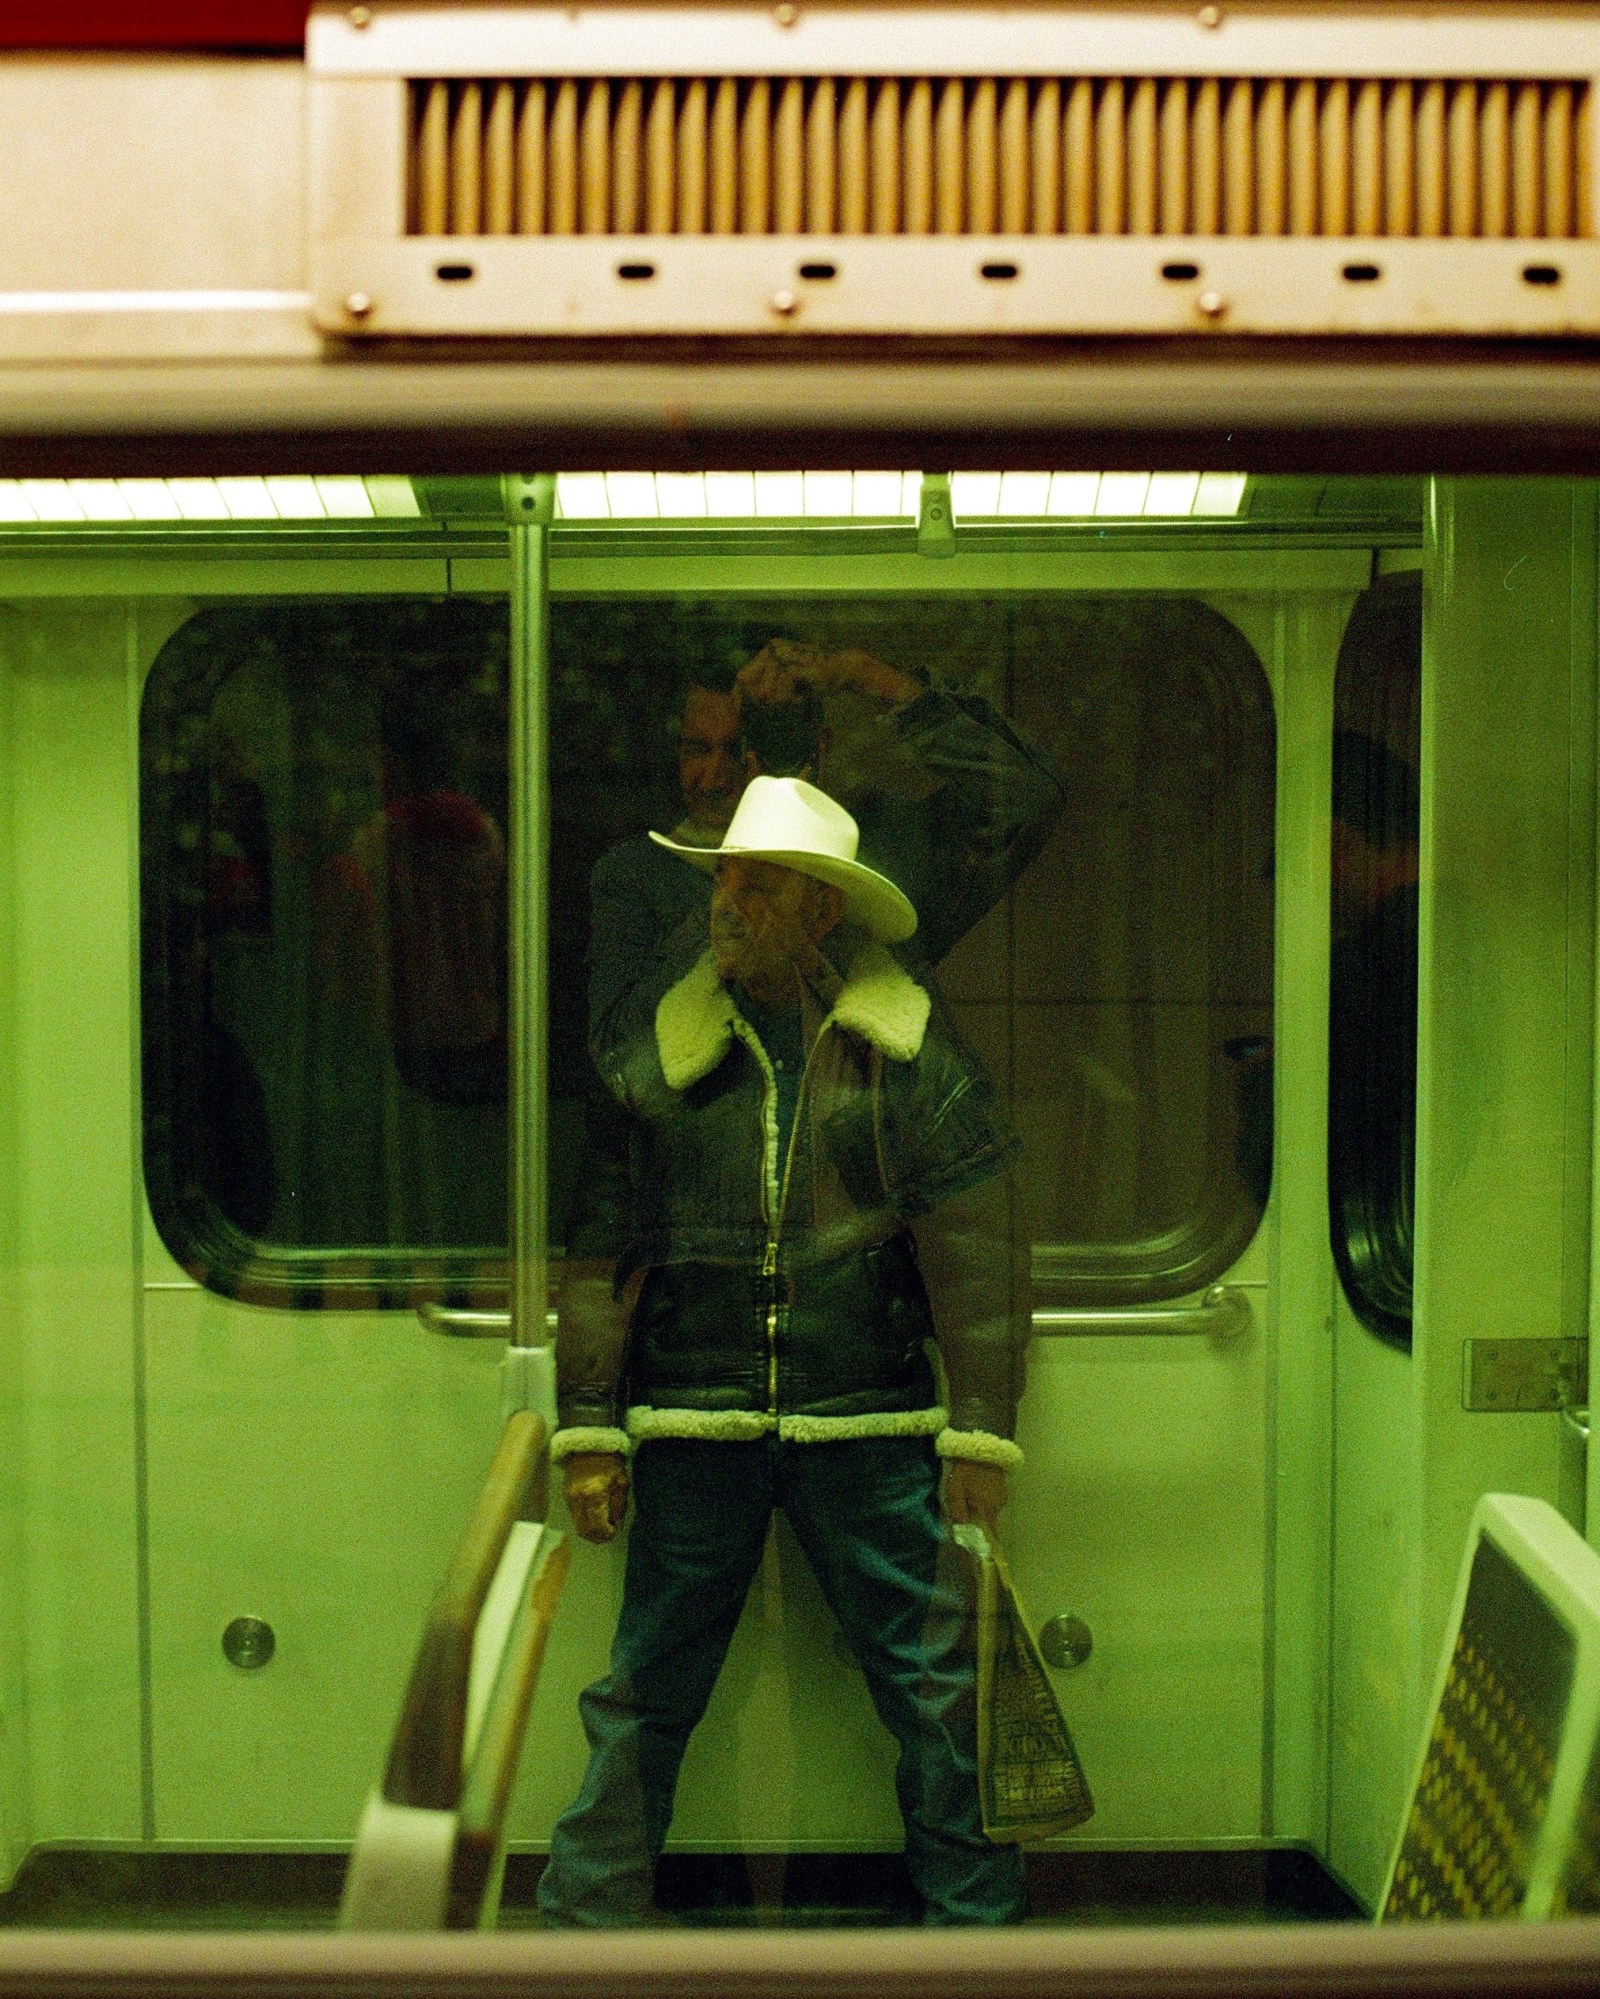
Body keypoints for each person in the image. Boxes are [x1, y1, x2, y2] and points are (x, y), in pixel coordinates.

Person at [539, 777, 1030, 1928]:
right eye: (723, 875)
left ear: (820, 909)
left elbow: (982, 1251)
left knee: (930, 1690)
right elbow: (604, 1250)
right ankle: (581, 1930)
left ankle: (980, 1929)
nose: (726, 899)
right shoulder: (668, 1049)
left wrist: (983, 1433)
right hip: (695, 1420)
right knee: (644, 1692)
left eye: (755, 882)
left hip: (866, 1421)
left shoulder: (902, 1050)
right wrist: (591, 1426)